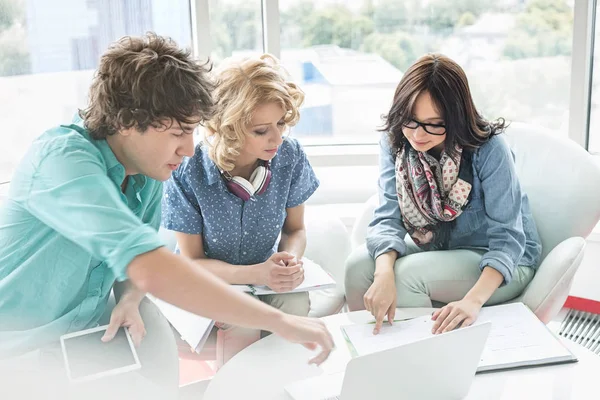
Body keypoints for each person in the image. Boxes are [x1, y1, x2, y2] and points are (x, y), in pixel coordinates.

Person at [0, 34, 333, 399]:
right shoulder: (63, 162)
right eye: (178, 132)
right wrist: (280, 322)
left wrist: (128, 296)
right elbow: (153, 267)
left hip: (83, 338)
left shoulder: (146, 172)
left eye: (191, 131)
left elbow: (132, 265)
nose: (189, 149)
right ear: (127, 121)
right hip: (17, 351)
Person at [345, 53, 542, 336]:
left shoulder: (488, 149)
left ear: (457, 118)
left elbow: (508, 240)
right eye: (410, 120)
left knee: (408, 277)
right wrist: (383, 272)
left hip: (502, 260)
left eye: (434, 123)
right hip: (439, 248)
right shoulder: (396, 143)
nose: (418, 134)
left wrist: (472, 302)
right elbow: (389, 215)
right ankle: (367, 351)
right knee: (358, 267)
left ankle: (419, 369)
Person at [162, 53, 320, 367]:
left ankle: (284, 385)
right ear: (229, 128)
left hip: (264, 277)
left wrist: (291, 260)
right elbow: (192, 263)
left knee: (296, 302)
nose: (277, 138)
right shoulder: (188, 170)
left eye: (281, 124)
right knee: (241, 318)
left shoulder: (289, 156)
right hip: (206, 282)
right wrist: (254, 273)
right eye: (262, 130)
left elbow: (295, 230)